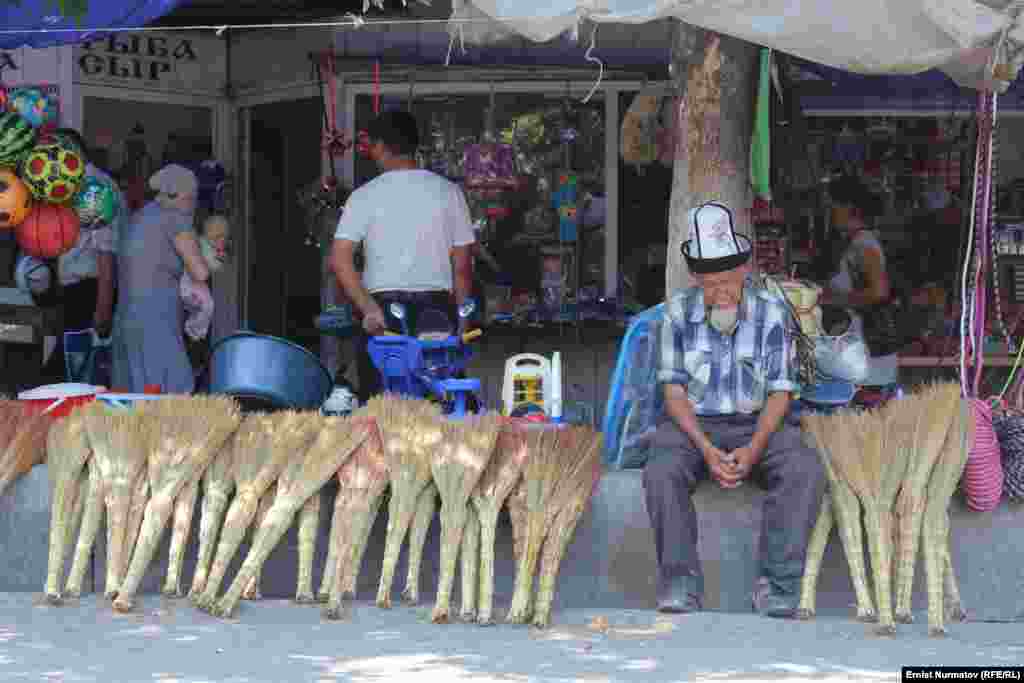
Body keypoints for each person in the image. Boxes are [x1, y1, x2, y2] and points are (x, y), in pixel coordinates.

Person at [643, 201, 825, 618]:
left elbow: (781, 392)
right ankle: (679, 583)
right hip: (694, 425)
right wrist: (706, 449)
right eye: (710, 285)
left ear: (744, 271)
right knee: (660, 472)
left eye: (727, 281)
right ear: (696, 279)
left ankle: (778, 586)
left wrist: (755, 447)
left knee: (803, 469)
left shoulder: (771, 313)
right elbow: (673, 392)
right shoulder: (677, 313)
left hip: (757, 422)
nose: (720, 293)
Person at [331, 110, 476, 403]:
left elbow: (339, 260)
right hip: (437, 314)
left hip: (383, 314)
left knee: (383, 408)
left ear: (381, 147)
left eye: (372, 145)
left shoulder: (364, 196)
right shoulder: (449, 192)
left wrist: (368, 308)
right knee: (440, 404)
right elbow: (462, 267)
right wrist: (463, 321)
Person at [110, 164, 210, 394]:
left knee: (133, 398)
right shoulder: (176, 218)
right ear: (177, 195)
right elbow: (200, 272)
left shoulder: (138, 217)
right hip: (157, 322)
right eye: (192, 197)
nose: (194, 203)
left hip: (126, 320)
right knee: (169, 396)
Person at [41, 128, 123, 382]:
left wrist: (102, 310)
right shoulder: (77, 186)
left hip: (89, 294)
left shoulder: (93, 189)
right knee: (72, 376)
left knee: (71, 378)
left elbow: (105, 251)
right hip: (78, 294)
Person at [820, 174, 900, 399]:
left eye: (833, 206)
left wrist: (829, 299)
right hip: (859, 351)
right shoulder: (853, 243)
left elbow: (878, 292)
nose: (829, 212)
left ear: (849, 207)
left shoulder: (864, 244)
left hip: (869, 353)